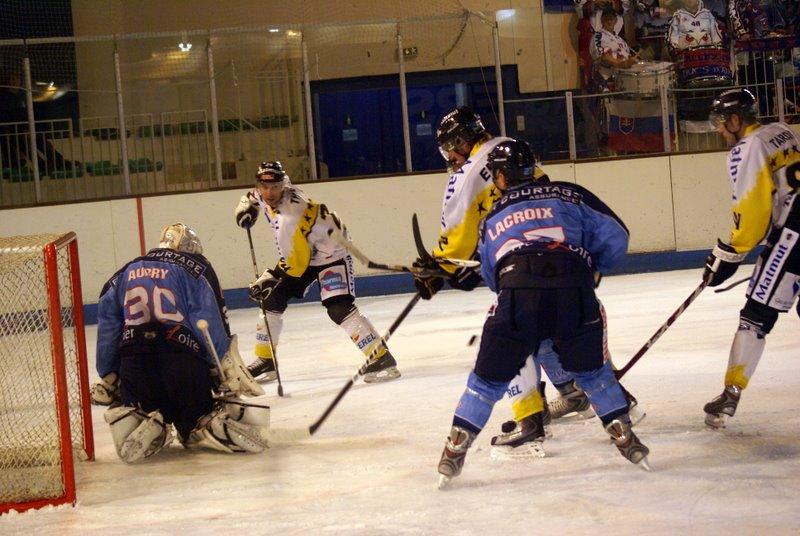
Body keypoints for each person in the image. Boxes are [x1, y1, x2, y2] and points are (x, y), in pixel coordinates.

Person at [436, 139, 649, 488]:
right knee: (595, 375)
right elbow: (617, 236)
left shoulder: (494, 214)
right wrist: (593, 267)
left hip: (519, 293)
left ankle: (454, 449)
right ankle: (625, 436)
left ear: (501, 178)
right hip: (575, 291)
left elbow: (492, 275)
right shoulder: (571, 194)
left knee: (487, 381)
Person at [93, 223, 268, 463]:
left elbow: (108, 325)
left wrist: (109, 373)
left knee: (141, 406)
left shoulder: (125, 271)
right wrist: (219, 369)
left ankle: (148, 418)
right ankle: (197, 425)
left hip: (134, 364)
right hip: (182, 361)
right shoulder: (196, 267)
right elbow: (208, 321)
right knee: (195, 420)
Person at [234, 161, 400, 383]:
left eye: (274, 187)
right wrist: (247, 206)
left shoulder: (289, 218)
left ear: (283, 185)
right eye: (265, 187)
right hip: (308, 250)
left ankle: (380, 357)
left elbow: (296, 263)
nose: (269, 192)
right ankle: (266, 359)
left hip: (332, 254)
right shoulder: (269, 192)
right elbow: (252, 196)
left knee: (338, 308)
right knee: (272, 299)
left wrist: (270, 277)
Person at [702, 88, 800, 428]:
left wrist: (731, 252)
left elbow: (752, 206)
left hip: (794, 235)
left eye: (720, 122)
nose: (718, 130)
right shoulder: (781, 130)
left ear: (735, 119)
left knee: (755, 316)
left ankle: (731, 393)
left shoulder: (747, 148)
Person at [590, 8, 638, 92]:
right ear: (602, 21)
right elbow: (603, 57)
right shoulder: (598, 36)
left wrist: (632, 61)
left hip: (623, 80)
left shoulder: (620, 40)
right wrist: (622, 64)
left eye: (611, 19)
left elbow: (628, 57)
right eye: (606, 19)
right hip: (606, 81)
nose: (609, 22)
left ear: (615, 21)